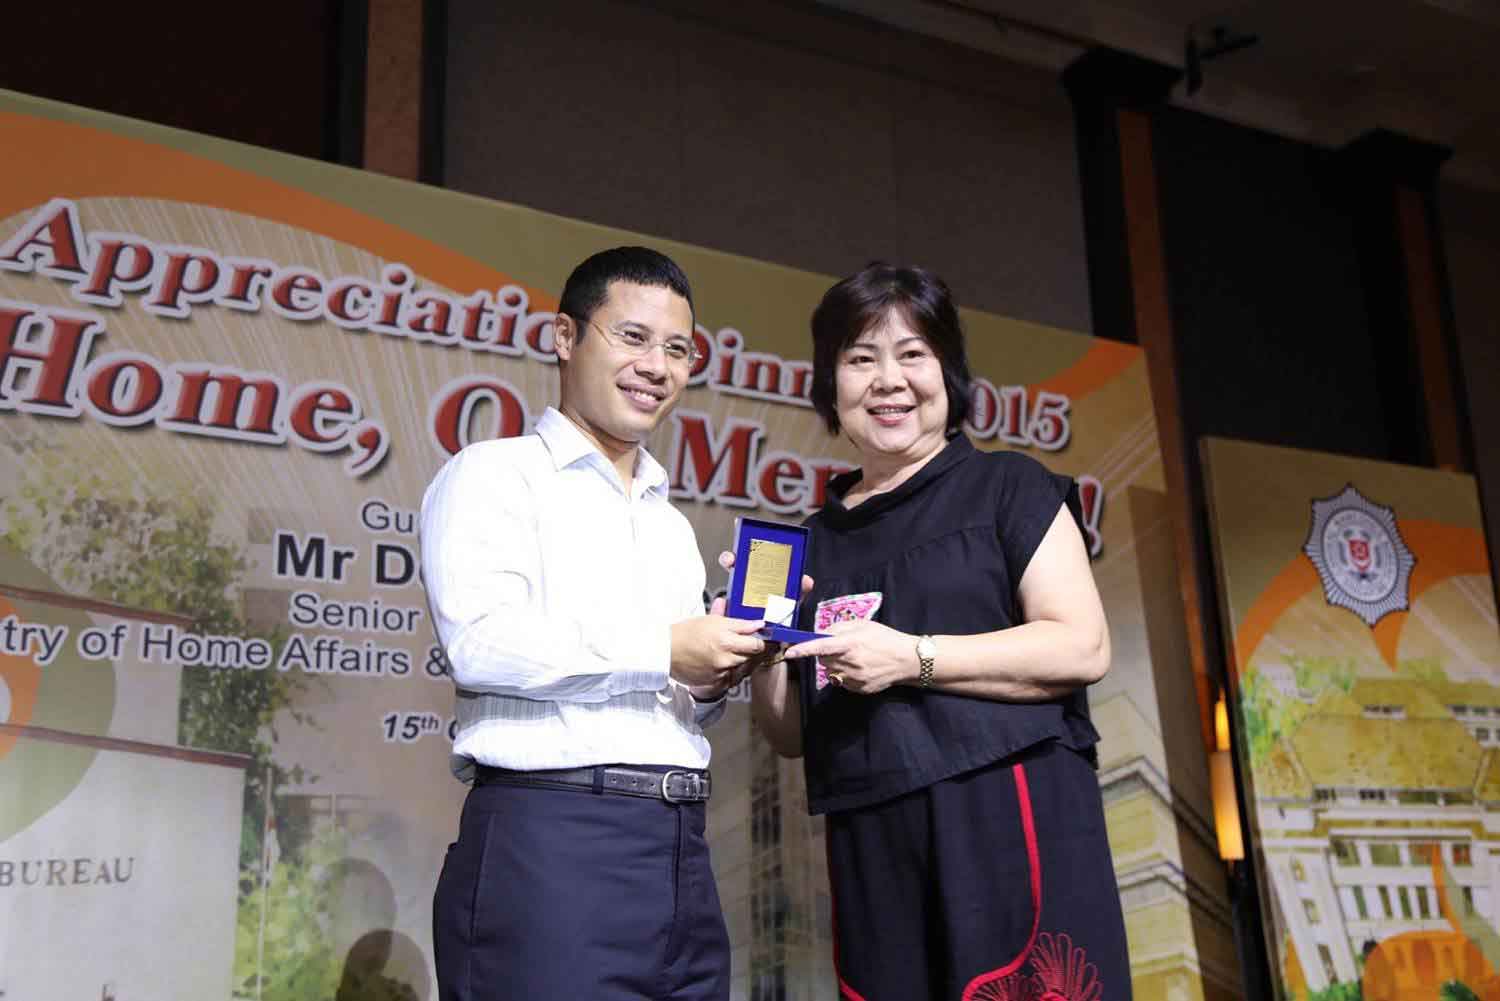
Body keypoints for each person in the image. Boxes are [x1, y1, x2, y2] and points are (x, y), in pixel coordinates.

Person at [748, 263, 1131, 1001]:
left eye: (912, 354)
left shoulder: (1010, 488)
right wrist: (762, 650)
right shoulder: (808, 545)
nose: (888, 380)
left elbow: (1083, 644)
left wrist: (911, 658)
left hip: (1010, 819)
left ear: (948, 375)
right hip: (872, 844)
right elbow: (792, 731)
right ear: (830, 387)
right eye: (861, 359)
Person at [422, 246, 766, 1001]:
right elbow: (481, 643)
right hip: (552, 842)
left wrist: (723, 660)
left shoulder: (671, 524)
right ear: (564, 337)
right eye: (632, 337)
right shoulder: (491, 473)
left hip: (680, 846)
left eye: (677, 349)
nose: (657, 365)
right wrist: (664, 647)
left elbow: (671, 695)